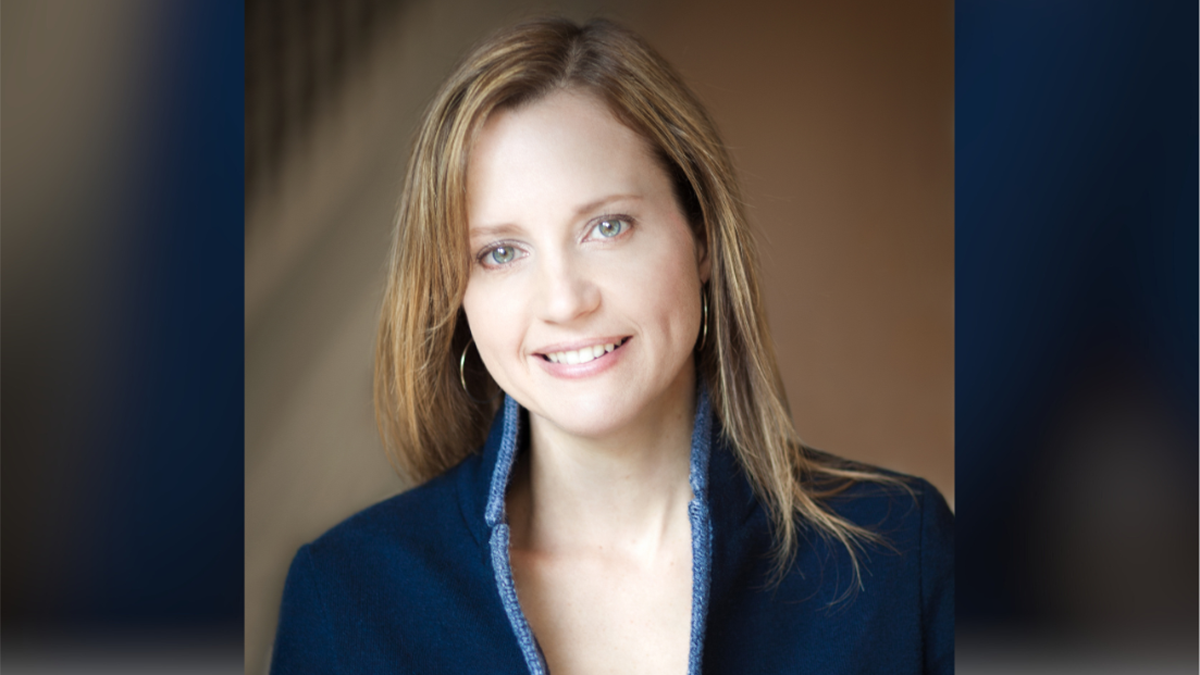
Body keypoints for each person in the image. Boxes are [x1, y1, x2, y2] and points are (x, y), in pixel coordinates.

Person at [270, 17, 953, 675]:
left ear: (702, 236)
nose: (566, 301)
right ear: (456, 297)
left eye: (608, 227)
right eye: (501, 252)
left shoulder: (898, 551)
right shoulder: (346, 595)